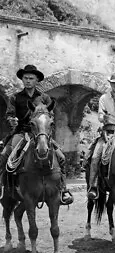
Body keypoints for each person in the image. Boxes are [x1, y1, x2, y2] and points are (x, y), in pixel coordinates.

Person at [0, 65, 73, 204]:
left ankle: (63, 189)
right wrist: (12, 120)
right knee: (5, 154)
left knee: (61, 157)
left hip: (41, 134)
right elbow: (9, 114)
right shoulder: (15, 98)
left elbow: (50, 116)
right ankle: (3, 186)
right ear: (22, 79)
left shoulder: (44, 98)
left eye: (31, 78)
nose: (28, 81)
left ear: (36, 80)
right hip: (22, 132)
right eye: (25, 78)